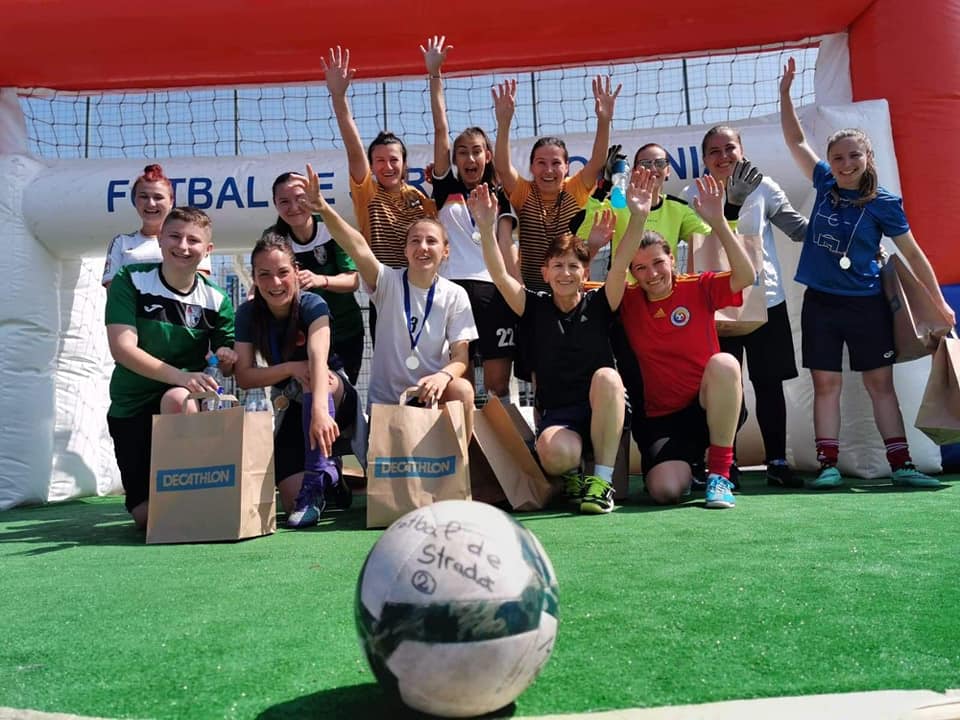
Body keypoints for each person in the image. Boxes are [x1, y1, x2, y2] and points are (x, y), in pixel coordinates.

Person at [779, 57, 955, 490]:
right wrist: (785, 95)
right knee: (826, 385)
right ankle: (828, 465)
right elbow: (796, 140)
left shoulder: (885, 203)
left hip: (867, 305)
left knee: (880, 385)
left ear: (867, 157)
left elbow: (913, 254)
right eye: (837, 157)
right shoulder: (824, 183)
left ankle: (902, 465)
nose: (845, 163)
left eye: (853, 155)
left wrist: (939, 303)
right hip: (821, 304)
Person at [468, 167, 656, 514]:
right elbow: (499, 275)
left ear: (585, 273)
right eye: (557, 266)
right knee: (554, 454)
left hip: (604, 408)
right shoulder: (533, 306)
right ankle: (572, 475)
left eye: (573, 266)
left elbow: (620, 266)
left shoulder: (601, 302)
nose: (565, 273)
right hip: (560, 416)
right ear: (545, 272)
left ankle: (600, 484)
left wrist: (639, 216)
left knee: (608, 377)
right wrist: (485, 226)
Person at [297, 164, 478, 439]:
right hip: (388, 404)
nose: (423, 247)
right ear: (405, 250)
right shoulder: (387, 282)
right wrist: (322, 208)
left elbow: (461, 357)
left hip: (431, 395)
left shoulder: (455, 294)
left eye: (431, 241)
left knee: (463, 389)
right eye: (415, 241)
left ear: (445, 251)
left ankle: (463, 459)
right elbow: (356, 245)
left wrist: (442, 376)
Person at [618, 174, 755, 509]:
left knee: (725, 363)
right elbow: (581, 288)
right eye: (640, 268)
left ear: (671, 259)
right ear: (632, 272)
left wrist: (719, 222)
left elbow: (746, 276)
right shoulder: (627, 300)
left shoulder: (698, 286)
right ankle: (691, 467)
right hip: (662, 420)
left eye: (658, 263)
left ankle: (719, 474)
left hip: (708, 407)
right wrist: (633, 219)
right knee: (664, 491)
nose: (652, 274)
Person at [686, 127, 809, 489]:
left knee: (769, 384)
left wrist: (846, 227)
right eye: (714, 151)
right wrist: (730, 207)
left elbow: (797, 229)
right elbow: (702, 245)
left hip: (766, 300)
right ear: (704, 159)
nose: (723, 156)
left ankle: (777, 462)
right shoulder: (693, 194)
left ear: (742, 151)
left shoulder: (764, 187)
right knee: (726, 386)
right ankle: (727, 464)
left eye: (730, 148)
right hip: (717, 307)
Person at [105, 207, 236, 528]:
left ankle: (193, 496)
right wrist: (182, 376)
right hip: (131, 406)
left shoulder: (217, 299)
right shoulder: (130, 279)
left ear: (208, 250)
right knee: (146, 517)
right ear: (160, 239)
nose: (183, 246)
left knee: (177, 398)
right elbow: (122, 349)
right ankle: (182, 504)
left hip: (181, 401)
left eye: (194, 240)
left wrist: (227, 357)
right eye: (175, 236)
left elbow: (229, 359)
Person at [234, 233, 357, 528]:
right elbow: (244, 376)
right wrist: (289, 367)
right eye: (264, 274)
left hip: (333, 395)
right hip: (289, 401)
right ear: (254, 277)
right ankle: (333, 478)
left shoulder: (313, 303)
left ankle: (315, 482)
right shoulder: (247, 313)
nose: (275, 282)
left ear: (295, 271)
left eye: (283, 272)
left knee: (312, 374)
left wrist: (319, 411)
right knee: (290, 500)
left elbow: (317, 358)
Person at [421, 35, 518, 400]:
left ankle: (500, 439)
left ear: (487, 155)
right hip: (450, 292)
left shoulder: (503, 194)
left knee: (496, 387)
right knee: (452, 384)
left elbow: (506, 246)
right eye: (462, 152)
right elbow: (441, 129)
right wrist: (435, 75)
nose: (469, 158)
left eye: (476, 151)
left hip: (495, 293)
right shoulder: (445, 186)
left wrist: (518, 293)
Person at [323, 46, 437, 342]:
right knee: (390, 361)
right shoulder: (368, 193)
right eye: (380, 161)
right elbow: (354, 150)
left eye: (394, 159)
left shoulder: (421, 199)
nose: (388, 166)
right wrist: (339, 97)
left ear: (405, 163)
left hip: (422, 289)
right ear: (372, 166)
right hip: (385, 289)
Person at [491, 74, 620, 292]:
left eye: (556, 163)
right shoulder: (524, 192)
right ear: (532, 167)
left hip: (569, 287)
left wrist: (604, 120)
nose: (549, 170)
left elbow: (598, 161)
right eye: (541, 163)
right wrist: (504, 123)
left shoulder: (574, 189)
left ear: (567, 167)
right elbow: (502, 167)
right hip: (531, 291)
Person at [268, 171, 365, 384]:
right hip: (299, 335)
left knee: (339, 391)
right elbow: (264, 281)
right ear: (275, 204)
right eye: (284, 201)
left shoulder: (331, 227)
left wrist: (321, 280)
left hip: (343, 331)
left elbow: (353, 280)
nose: (294, 207)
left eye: (300, 198)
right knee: (305, 392)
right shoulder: (274, 239)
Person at [577, 142, 711, 278]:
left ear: (668, 171)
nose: (653, 168)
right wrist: (602, 188)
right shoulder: (618, 204)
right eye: (645, 164)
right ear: (634, 171)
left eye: (660, 163)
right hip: (623, 289)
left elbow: (710, 240)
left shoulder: (678, 209)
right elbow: (581, 231)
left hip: (662, 286)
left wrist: (717, 218)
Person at [102, 164, 212, 288]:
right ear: (135, 200)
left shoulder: (191, 242)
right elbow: (113, 291)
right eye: (144, 197)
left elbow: (199, 287)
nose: (151, 204)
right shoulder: (121, 242)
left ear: (171, 201)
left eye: (158, 197)